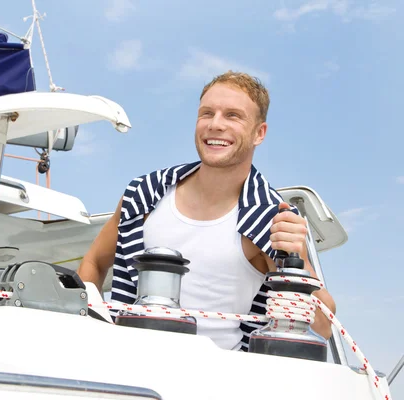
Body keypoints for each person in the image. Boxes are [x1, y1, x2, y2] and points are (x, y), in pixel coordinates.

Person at [77, 70, 336, 351]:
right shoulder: (145, 194)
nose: (215, 125)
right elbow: (94, 262)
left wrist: (298, 260)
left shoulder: (270, 219)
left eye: (233, 116)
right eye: (207, 113)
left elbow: (324, 325)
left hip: (219, 378)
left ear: (259, 133)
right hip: (128, 366)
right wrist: (90, 328)